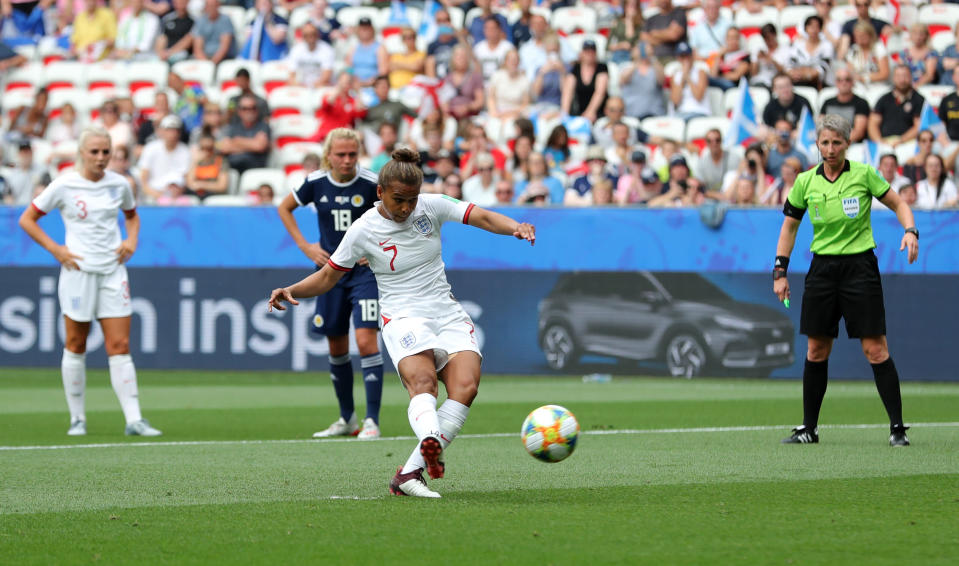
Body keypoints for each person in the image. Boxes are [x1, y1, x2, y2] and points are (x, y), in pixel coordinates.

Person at [268, 148, 536, 498]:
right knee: (424, 383)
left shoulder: (431, 205)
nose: (407, 208)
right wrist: (292, 290)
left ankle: (408, 475)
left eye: (411, 200)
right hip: (403, 317)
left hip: (447, 313)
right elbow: (327, 277)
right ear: (380, 192)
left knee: (466, 387)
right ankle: (430, 441)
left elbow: (481, 217)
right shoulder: (363, 229)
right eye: (398, 200)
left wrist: (516, 227)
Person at [773, 113, 918, 447]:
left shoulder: (865, 175)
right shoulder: (806, 181)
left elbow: (898, 203)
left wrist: (910, 231)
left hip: (859, 269)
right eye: (825, 142)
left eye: (837, 142)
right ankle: (809, 428)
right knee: (816, 348)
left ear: (847, 143)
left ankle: (897, 429)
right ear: (817, 144)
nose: (830, 148)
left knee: (875, 349)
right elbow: (789, 228)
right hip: (822, 271)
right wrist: (780, 271)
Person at [17, 126, 162, 437]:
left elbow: (132, 215)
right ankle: (77, 419)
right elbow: (27, 219)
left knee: (120, 345)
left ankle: (134, 419)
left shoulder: (120, 184)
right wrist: (56, 249)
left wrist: (131, 241)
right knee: (76, 343)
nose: (100, 157)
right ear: (82, 153)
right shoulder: (64, 185)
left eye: (105, 152)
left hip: (112, 270)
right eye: (94, 151)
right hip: (78, 271)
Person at [276, 128, 384, 440]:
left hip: (365, 273)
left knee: (365, 342)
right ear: (329, 155)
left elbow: (393, 216)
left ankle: (372, 421)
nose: (348, 160)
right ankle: (347, 418)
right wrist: (305, 246)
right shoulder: (315, 183)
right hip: (330, 273)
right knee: (336, 345)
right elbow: (284, 208)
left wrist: (375, 247)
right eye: (341, 154)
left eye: (353, 154)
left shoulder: (372, 183)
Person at [868, 64, 924, 148]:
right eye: (898, 76)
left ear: (911, 77)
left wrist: (901, 140)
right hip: (884, 142)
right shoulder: (884, 99)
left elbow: (919, 126)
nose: (902, 80)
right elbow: (873, 124)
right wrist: (879, 142)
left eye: (905, 75)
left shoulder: (919, 100)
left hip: (909, 143)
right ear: (893, 78)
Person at [820, 66, 870, 143]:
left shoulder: (861, 103)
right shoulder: (827, 102)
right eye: (839, 80)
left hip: (851, 145)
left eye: (847, 80)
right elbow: (820, 127)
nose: (843, 83)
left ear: (853, 82)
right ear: (835, 82)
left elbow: (858, 133)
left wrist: (837, 142)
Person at [191, 0, 236, 65]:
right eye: (208, 6)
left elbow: (224, 47)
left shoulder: (225, 20)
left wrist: (212, 64)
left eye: (213, 6)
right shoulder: (200, 21)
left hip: (222, 59)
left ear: (218, 6)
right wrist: (206, 64)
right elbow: (198, 48)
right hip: (204, 60)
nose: (211, 8)